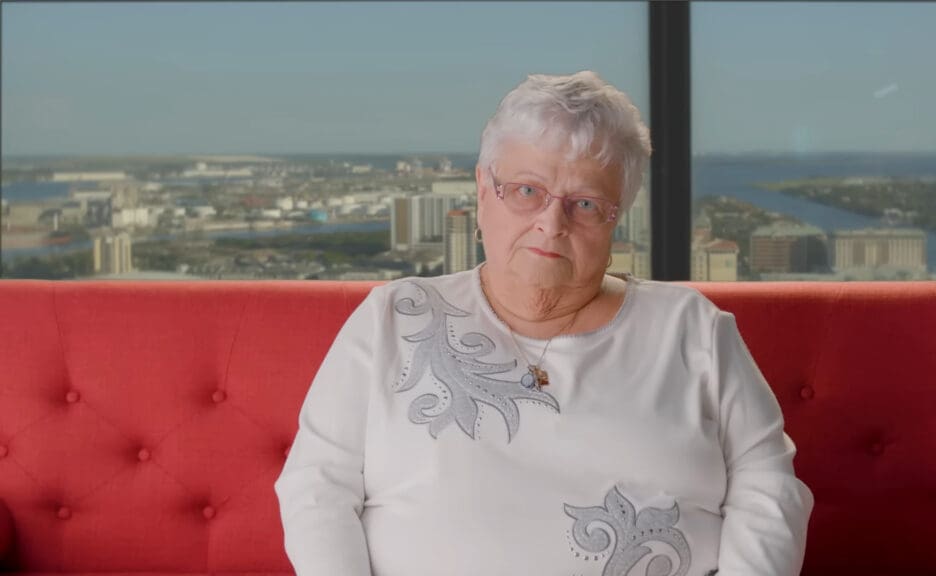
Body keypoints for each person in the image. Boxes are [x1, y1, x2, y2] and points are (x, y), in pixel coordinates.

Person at [275, 70, 813, 576]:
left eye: (584, 203)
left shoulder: (693, 329)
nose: (550, 223)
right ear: (484, 190)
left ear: (615, 217)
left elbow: (767, 487)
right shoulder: (394, 316)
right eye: (527, 190)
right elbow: (316, 488)